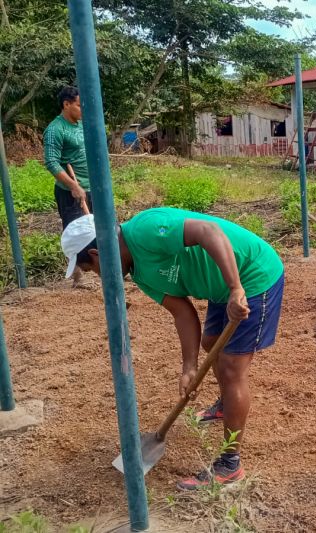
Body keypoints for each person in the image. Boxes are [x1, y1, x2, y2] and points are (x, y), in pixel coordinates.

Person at [60, 208, 284, 490]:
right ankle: (226, 404)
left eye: (92, 270)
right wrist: (189, 367)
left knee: (230, 368)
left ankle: (230, 464)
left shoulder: (145, 230)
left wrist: (235, 288)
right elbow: (182, 312)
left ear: (95, 254)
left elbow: (208, 232)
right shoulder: (140, 274)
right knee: (210, 342)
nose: (98, 276)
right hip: (220, 288)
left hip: (250, 275)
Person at [43, 86, 93, 288]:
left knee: (104, 226)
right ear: (66, 104)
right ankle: (78, 277)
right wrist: (73, 185)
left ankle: (113, 266)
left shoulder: (82, 124)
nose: (83, 110)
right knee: (75, 231)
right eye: (79, 106)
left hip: (93, 187)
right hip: (70, 190)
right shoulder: (55, 130)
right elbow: (51, 162)